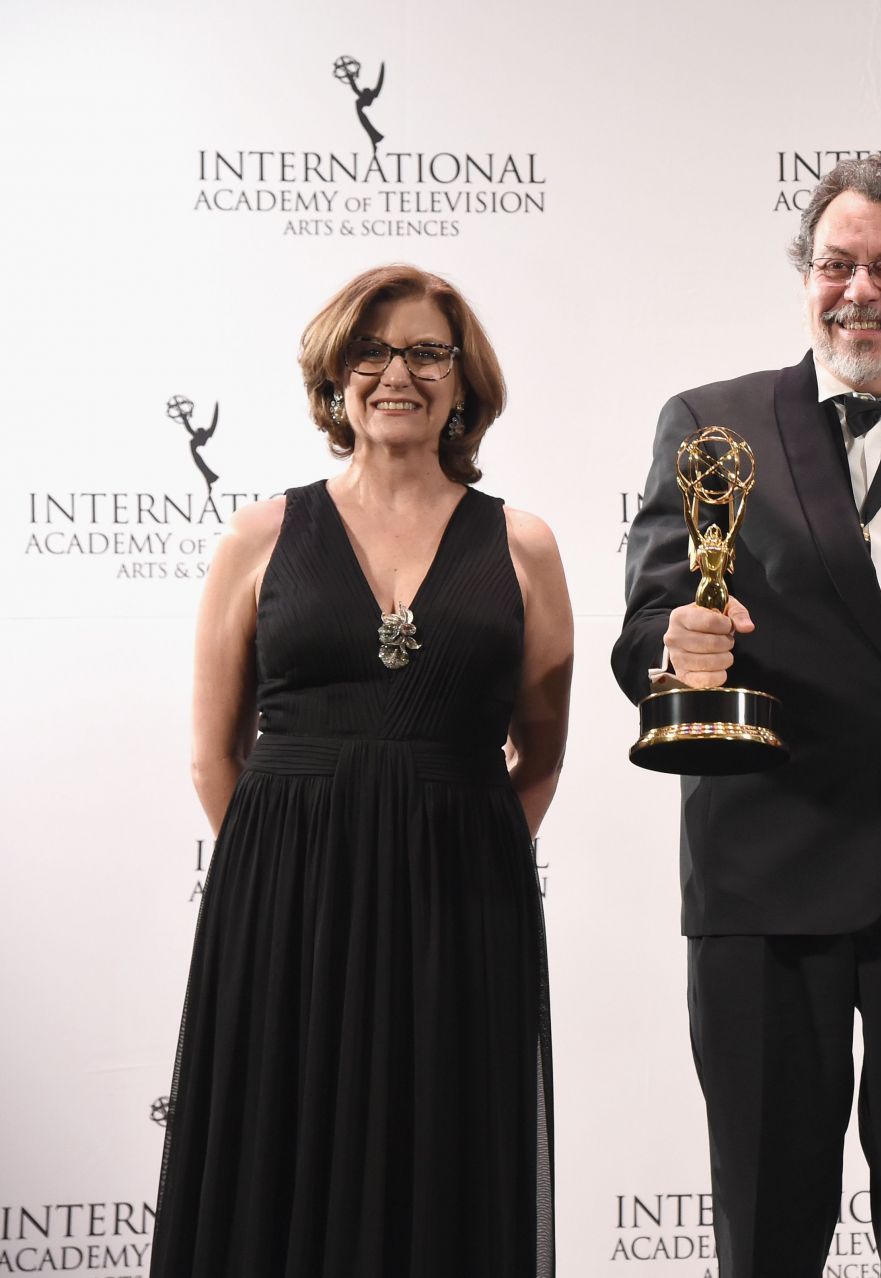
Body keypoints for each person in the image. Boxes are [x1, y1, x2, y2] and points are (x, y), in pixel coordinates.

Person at [612, 151, 881, 1277]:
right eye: (837, 263)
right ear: (805, 277)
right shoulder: (711, 423)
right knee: (768, 1220)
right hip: (768, 868)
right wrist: (676, 647)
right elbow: (651, 619)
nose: (861, 290)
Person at [153, 264, 572, 1278]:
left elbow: (543, 748)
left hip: (460, 905)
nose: (400, 373)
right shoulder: (258, 535)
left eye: (428, 351)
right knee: (279, 1147)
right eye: (373, 352)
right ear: (336, 378)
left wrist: (462, 852)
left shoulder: (523, 544)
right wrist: (282, 859)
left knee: (443, 1149)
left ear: (463, 382)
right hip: (281, 901)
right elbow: (215, 750)